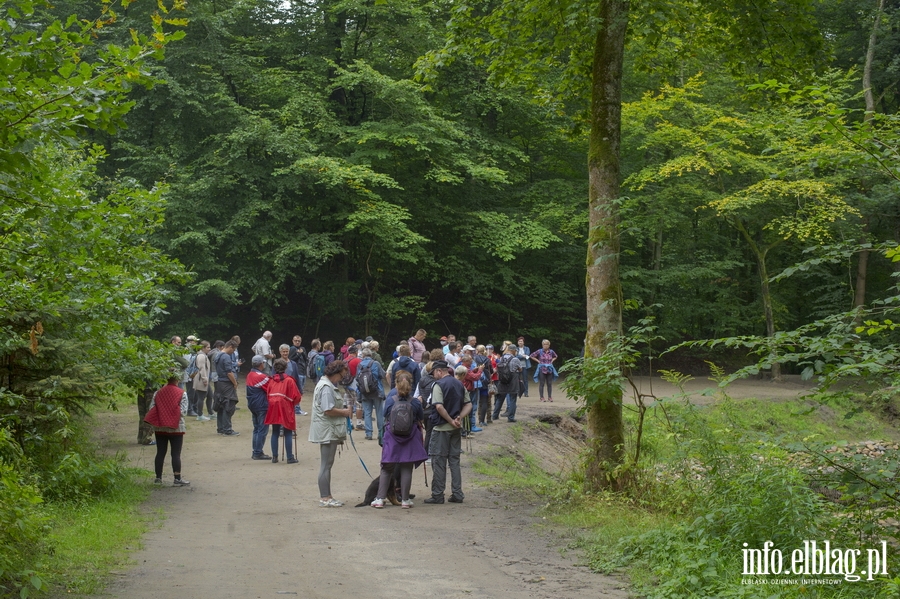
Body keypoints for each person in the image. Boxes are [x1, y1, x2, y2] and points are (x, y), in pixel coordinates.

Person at [370, 372, 428, 509]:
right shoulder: (415, 402)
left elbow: (385, 415)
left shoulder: (390, 400)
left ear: (396, 384)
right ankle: (405, 500)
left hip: (392, 437)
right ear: (411, 385)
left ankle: (380, 498)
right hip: (410, 437)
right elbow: (420, 418)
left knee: (386, 468)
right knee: (406, 468)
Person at [424, 360, 471, 504]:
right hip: (456, 429)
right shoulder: (459, 383)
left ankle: (438, 494)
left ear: (439, 371)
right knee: (454, 461)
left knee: (439, 461)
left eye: (434, 373)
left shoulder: (438, 385)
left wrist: (450, 420)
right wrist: (459, 418)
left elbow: (438, 406)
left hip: (441, 429)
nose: (434, 376)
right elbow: (468, 404)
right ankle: (457, 493)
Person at [309, 360, 354, 507]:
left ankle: (327, 496)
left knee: (327, 464)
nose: (342, 378)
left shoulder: (326, 385)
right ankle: (325, 497)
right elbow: (328, 410)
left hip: (328, 429)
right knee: (326, 465)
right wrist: (345, 412)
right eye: (342, 375)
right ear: (335, 373)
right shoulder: (327, 387)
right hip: (327, 430)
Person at [144, 375, 190, 486]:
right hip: (176, 428)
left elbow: (152, 409)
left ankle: (158, 478)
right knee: (175, 453)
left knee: (160, 452)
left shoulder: (157, 393)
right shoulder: (182, 393)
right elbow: (183, 412)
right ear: (177, 380)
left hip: (160, 427)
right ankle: (177, 478)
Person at [265, 358, 302, 464]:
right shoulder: (289, 380)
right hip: (285, 405)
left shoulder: (271, 380)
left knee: (275, 431)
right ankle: (290, 457)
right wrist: (293, 404)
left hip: (273, 405)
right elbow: (297, 396)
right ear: (286, 368)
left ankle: (274, 457)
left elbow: (268, 394)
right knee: (288, 431)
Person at [356, 348, 387, 441]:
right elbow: (383, 375)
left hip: (365, 392)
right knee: (379, 413)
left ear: (363, 356)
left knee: (367, 413)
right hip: (377, 391)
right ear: (371, 355)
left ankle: (368, 433)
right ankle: (381, 433)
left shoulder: (359, 365)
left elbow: (357, 379)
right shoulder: (376, 363)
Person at [246, 355, 271, 460]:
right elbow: (271, 387)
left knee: (256, 429)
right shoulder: (262, 377)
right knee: (262, 429)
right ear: (261, 364)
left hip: (253, 405)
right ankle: (258, 452)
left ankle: (255, 451)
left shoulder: (250, 375)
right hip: (261, 405)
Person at [214, 340, 240, 436]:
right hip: (226, 383)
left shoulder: (218, 355)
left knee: (221, 405)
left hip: (220, 383)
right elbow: (229, 372)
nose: (233, 352)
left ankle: (220, 428)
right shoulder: (226, 357)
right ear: (230, 347)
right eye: (233, 350)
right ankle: (227, 429)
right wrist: (235, 383)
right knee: (228, 405)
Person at [493, 343, 522, 422]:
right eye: (516, 350)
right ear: (513, 351)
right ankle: (511, 418)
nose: (516, 352)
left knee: (500, 399)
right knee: (513, 399)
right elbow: (520, 369)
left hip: (502, 381)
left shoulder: (502, 358)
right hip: (512, 381)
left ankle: (495, 416)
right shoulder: (515, 359)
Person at [193, 340, 212, 421]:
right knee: (201, 397)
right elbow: (202, 368)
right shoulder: (201, 356)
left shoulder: (204, 355)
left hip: (204, 379)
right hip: (201, 379)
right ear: (203, 348)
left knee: (210, 395)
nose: (209, 349)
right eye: (208, 347)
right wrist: (204, 379)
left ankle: (211, 413)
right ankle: (199, 415)